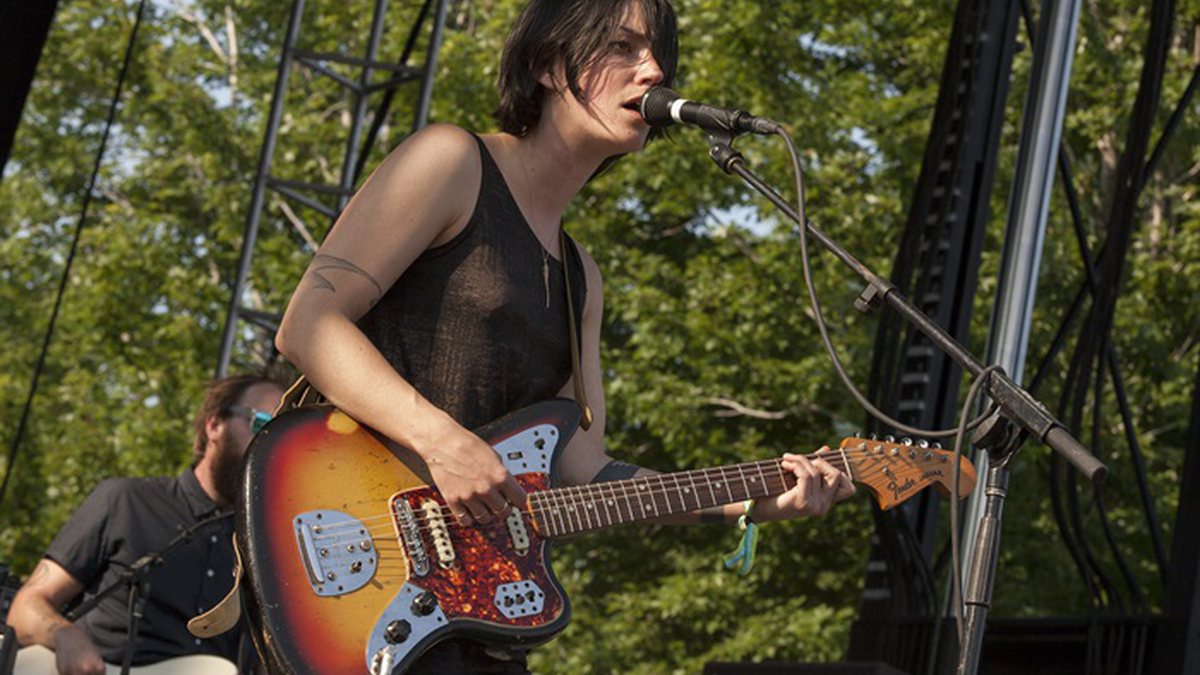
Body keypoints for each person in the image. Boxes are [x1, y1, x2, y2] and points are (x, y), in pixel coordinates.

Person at [273, 0, 856, 671]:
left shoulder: (583, 277)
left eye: (658, 53)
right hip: (347, 548)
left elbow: (585, 468)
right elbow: (309, 323)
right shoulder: (452, 161)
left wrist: (756, 499)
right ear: (550, 64)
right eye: (623, 47)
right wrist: (442, 441)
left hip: (469, 612)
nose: (656, 69)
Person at [7, 374, 285, 675]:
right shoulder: (126, 500)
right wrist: (64, 635)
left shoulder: (266, 551)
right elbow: (26, 606)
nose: (266, 444)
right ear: (214, 425)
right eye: (261, 424)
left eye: (278, 436)